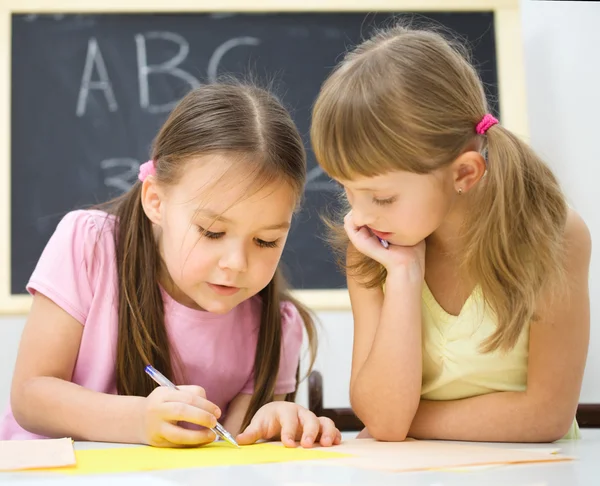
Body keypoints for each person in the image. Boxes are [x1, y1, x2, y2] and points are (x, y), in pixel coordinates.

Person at [1, 82, 341, 449]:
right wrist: (137, 420)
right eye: (212, 232)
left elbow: (232, 451)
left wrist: (275, 421)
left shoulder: (275, 325)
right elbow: (30, 395)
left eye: (266, 241)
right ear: (156, 201)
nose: (236, 264)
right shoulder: (89, 245)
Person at [311, 24, 591, 442]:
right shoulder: (372, 252)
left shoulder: (553, 235)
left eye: (382, 198)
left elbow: (545, 415)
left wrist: (407, 421)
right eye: (346, 190)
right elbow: (386, 422)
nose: (359, 214)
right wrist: (404, 278)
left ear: (464, 172)